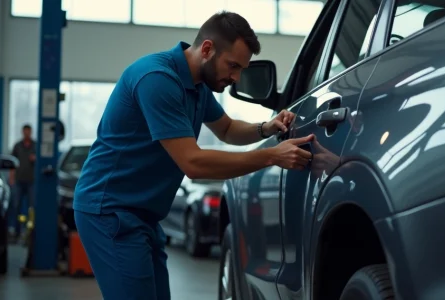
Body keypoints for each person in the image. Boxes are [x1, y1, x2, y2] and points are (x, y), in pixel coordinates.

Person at [73, 11, 313, 300]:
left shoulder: (197, 85)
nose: (236, 78)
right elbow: (193, 163)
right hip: (110, 211)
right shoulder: (158, 79)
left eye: (242, 70)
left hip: (143, 214)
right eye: (233, 66)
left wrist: (266, 128)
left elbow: (226, 129)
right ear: (208, 49)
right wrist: (272, 156)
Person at [9, 124, 36, 238]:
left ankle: (31, 232)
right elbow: (12, 164)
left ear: (31, 132)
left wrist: (36, 159)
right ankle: (17, 231)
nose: (26, 133)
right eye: (25, 131)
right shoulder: (17, 146)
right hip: (19, 181)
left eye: (28, 131)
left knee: (32, 207)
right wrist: (11, 178)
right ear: (22, 132)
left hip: (32, 182)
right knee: (17, 206)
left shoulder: (36, 146)